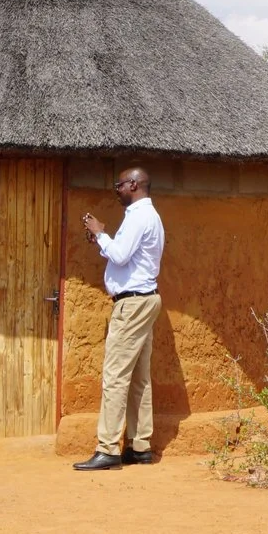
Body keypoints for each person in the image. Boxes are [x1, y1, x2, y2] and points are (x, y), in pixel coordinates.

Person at [75, 167, 165, 471]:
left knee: (115, 376)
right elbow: (126, 256)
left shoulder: (139, 216)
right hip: (145, 300)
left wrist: (101, 233)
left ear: (135, 184)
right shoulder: (149, 216)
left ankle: (108, 448)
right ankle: (140, 446)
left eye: (120, 184)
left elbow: (122, 255)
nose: (116, 189)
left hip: (132, 305)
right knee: (139, 378)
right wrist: (102, 240)